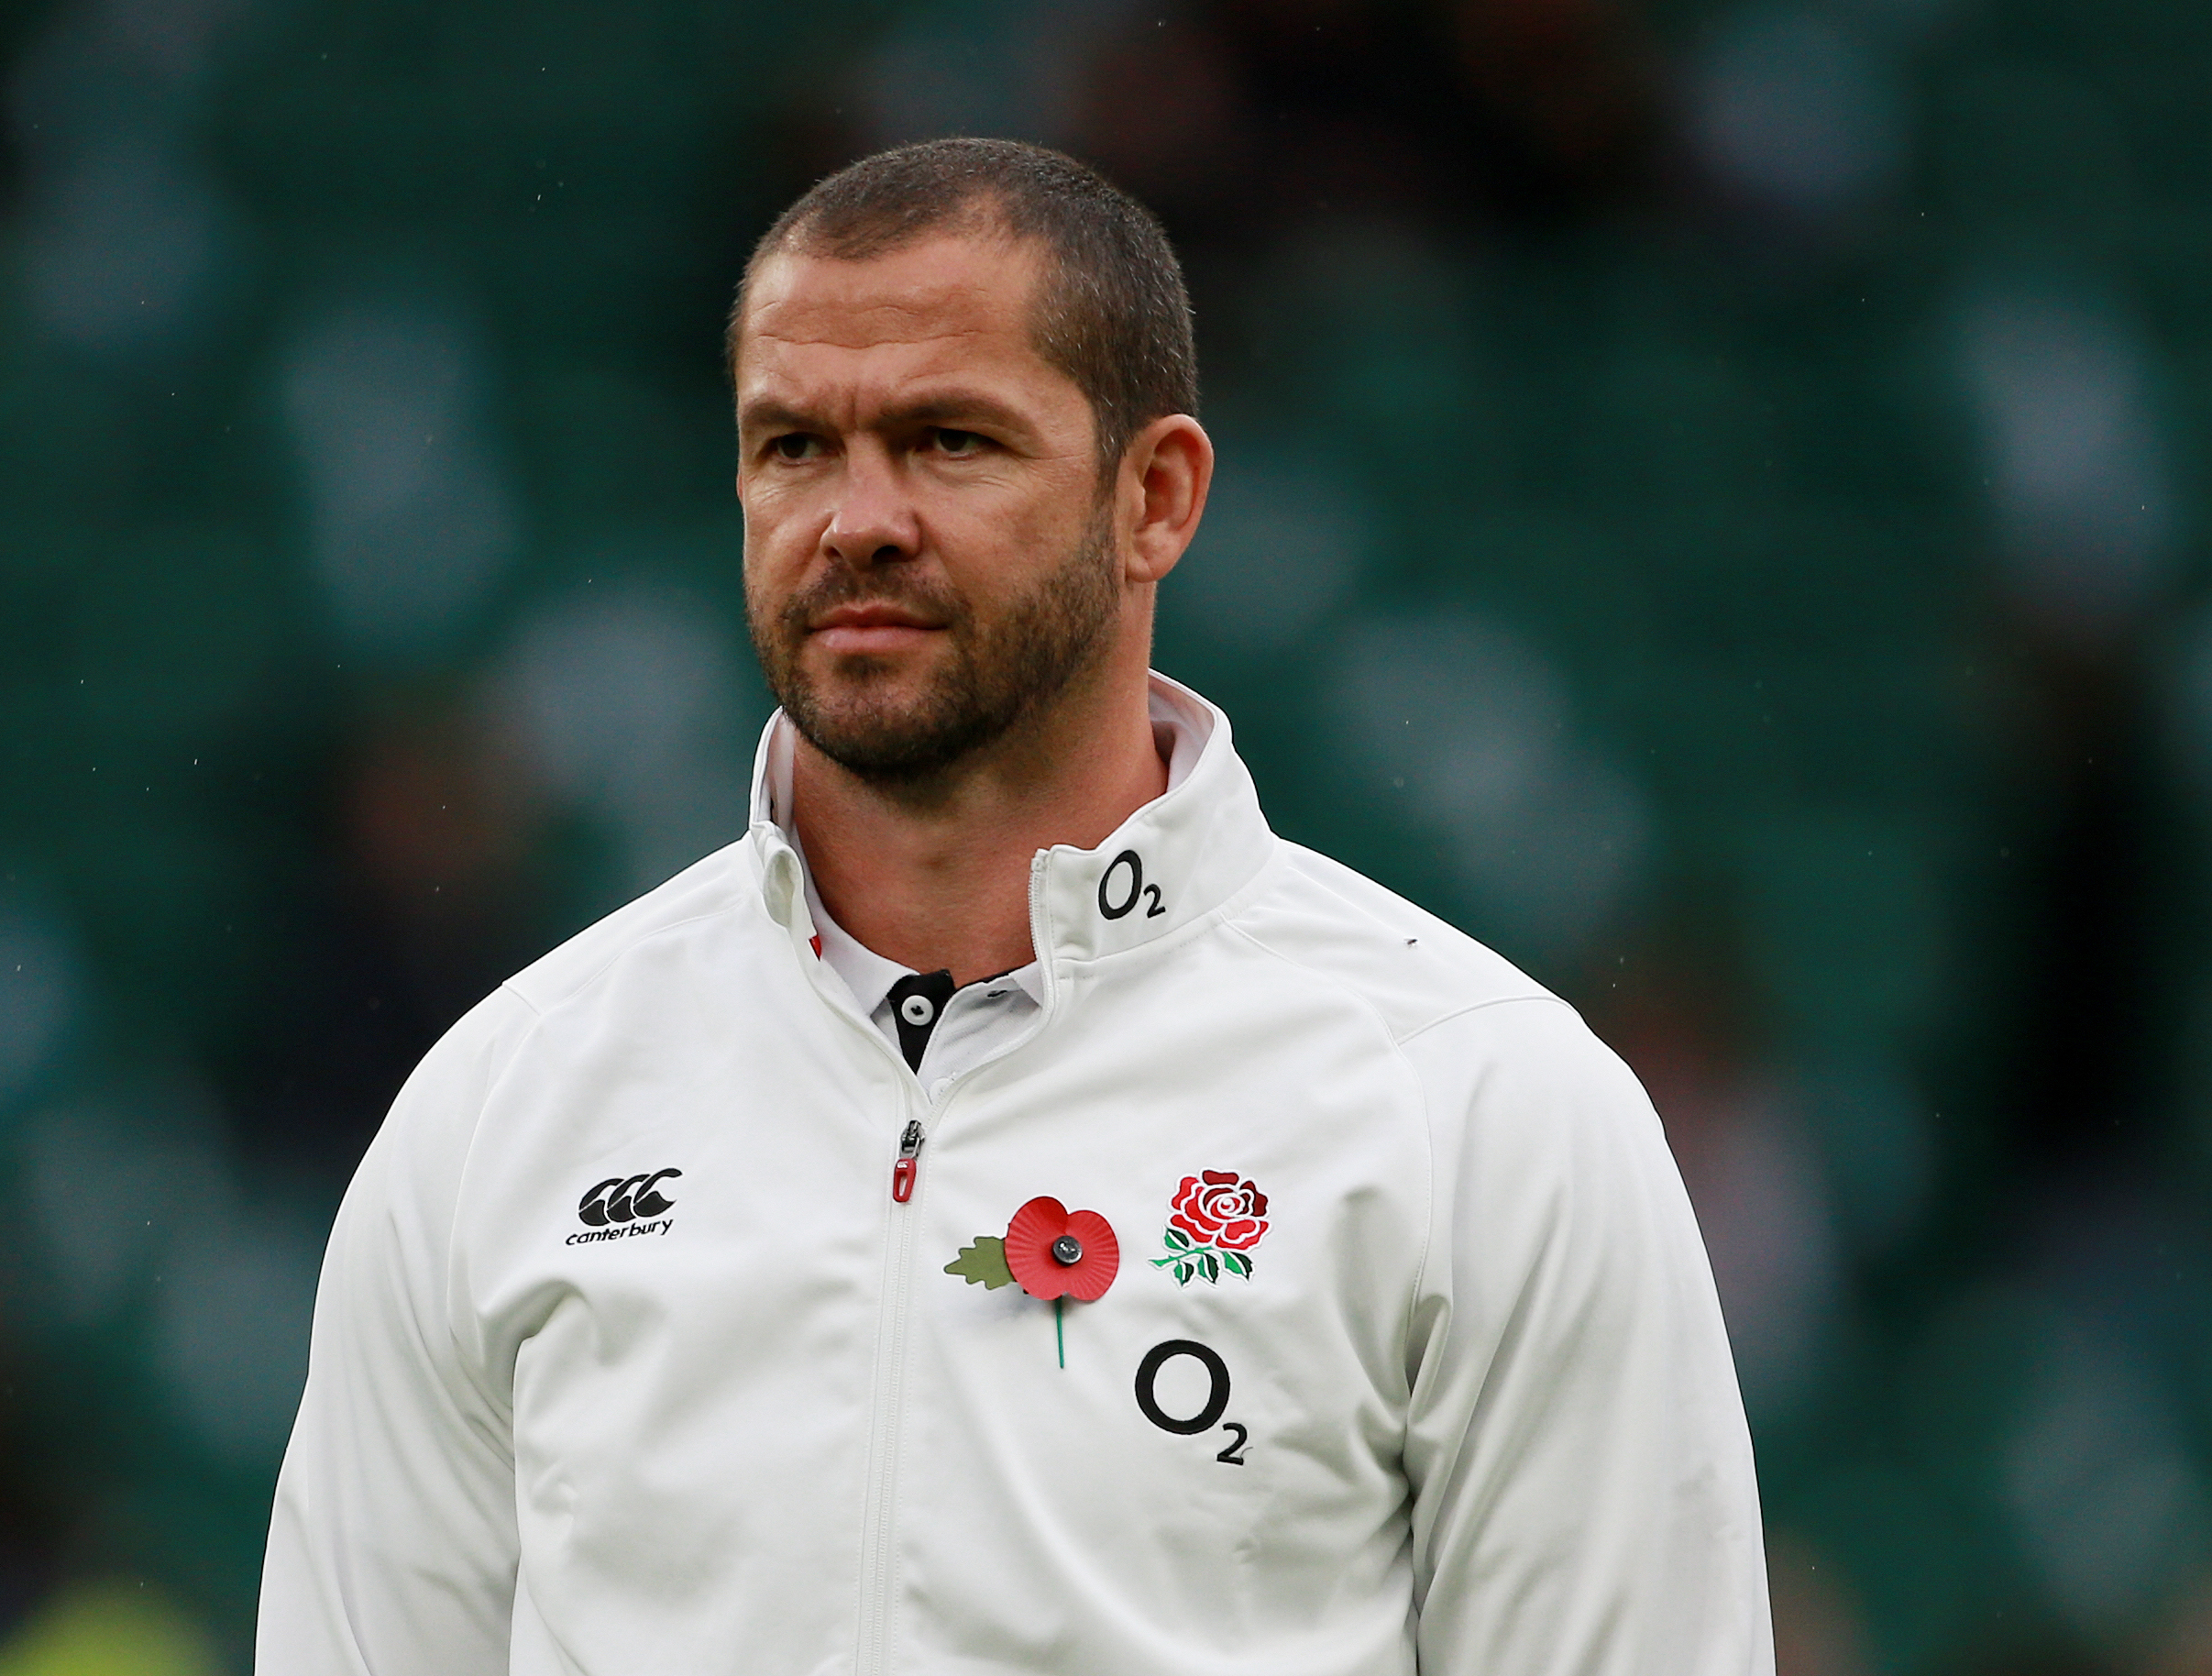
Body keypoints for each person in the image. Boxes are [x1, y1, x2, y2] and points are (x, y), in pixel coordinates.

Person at [257, 138, 1772, 1675]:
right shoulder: (504, 1106)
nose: (855, 519)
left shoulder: (1483, 1107)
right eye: (791, 447)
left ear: (1157, 497)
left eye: (948, 441)